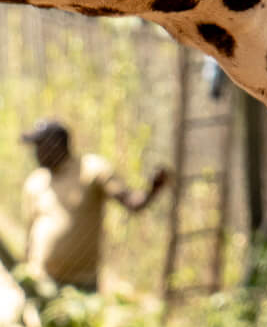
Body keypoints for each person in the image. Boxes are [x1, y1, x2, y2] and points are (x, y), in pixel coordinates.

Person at [20, 119, 171, 296]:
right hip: (41, 281)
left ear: (56, 145)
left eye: (40, 146)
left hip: (81, 286)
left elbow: (131, 202)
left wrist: (151, 191)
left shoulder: (92, 170)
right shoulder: (35, 181)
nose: (36, 153)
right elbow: (30, 232)